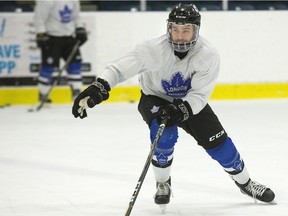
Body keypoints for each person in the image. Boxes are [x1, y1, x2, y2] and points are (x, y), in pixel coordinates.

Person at [72, 2, 275, 209]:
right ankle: (163, 182)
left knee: (219, 144)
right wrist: (99, 86)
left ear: (196, 30)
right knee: (165, 134)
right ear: (168, 28)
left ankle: (246, 183)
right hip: (154, 98)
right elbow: (118, 69)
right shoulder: (151, 49)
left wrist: (181, 109)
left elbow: (199, 95)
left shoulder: (208, 55)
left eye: (186, 30)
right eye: (175, 29)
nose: (179, 35)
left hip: (189, 102)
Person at [34, 0, 88, 103]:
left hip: (69, 37)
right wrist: (40, 32)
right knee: (48, 67)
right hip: (51, 38)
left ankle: (76, 93)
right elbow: (39, 17)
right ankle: (43, 93)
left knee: (75, 65)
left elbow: (76, 16)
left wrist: (79, 27)